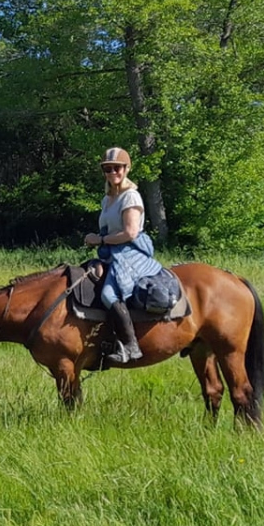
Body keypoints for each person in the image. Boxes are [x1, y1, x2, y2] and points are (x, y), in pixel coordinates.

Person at [85, 146, 162, 364]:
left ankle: (131, 346)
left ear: (126, 169)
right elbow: (108, 231)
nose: (112, 173)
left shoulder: (131, 197)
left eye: (117, 168)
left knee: (109, 295)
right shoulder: (107, 199)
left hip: (131, 253)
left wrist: (99, 240)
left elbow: (130, 232)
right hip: (111, 252)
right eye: (107, 169)